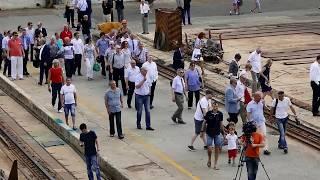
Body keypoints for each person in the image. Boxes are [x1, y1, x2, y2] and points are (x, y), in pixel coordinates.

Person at [201, 101, 224, 170]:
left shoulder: (220, 114)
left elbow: (221, 123)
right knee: (210, 149)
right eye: (214, 106)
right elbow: (204, 122)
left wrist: (223, 133)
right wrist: (202, 131)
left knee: (217, 149)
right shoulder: (208, 113)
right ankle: (209, 159)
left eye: (216, 106)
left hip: (217, 133)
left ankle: (215, 164)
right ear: (212, 107)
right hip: (209, 133)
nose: (215, 107)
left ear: (218, 107)